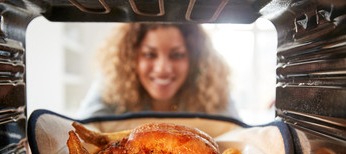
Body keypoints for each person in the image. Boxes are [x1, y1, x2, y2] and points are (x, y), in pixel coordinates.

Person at [77, 23, 238, 119]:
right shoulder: (111, 88)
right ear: (131, 58)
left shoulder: (213, 92)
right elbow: (83, 132)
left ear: (194, 60)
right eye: (149, 54)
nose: (163, 68)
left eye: (177, 55)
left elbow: (237, 135)